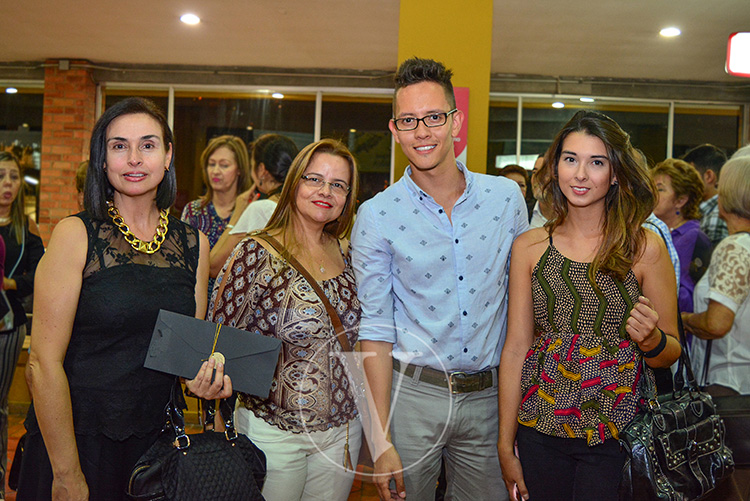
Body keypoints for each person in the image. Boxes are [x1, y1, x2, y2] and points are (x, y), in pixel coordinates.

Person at [17, 97, 231, 501]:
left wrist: (207, 380)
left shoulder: (194, 244)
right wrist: (66, 474)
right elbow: (41, 365)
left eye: (148, 145)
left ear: (168, 156)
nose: (134, 158)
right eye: (119, 146)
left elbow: (186, 362)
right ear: (102, 160)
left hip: (157, 448)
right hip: (77, 443)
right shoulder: (75, 235)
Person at [352, 57, 528, 501]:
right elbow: (373, 329)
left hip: (491, 399)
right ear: (395, 130)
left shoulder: (505, 199)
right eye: (409, 121)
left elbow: (525, 308)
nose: (422, 131)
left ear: (456, 122)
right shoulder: (376, 215)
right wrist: (381, 438)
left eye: (434, 117)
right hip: (412, 397)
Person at [498, 110, 681, 501]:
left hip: (616, 433)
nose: (580, 174)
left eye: (596, 162)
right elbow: (516, 347)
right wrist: (504, 441)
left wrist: (650, 340)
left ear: (615, 173)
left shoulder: (644, 247)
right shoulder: (529, 247)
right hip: (539, 429)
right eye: (570, 159)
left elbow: (672, 351)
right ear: (555, 166)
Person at [210, 138, 361, 501]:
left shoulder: (349, 251)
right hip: (273, 431)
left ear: (348, 197)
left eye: (338, 185)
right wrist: (217, 417)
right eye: (315, 179)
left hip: (342, 432)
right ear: (294, 182)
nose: (326, 191)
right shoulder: (256, 252)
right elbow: (218, 339)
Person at [682, 155, 750, 501]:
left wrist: (682, 320)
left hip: (731, 387)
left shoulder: (735, 248)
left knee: (730, 487)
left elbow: (716, 323)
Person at [0, 151, 44, 500]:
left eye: (14, 177)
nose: (8, 184)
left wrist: (10, 284)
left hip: (8, 323)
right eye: (1, 176)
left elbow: (37, 276)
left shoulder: (26, 227)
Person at [209, 134, 298, 278]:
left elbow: (213, 266)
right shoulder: (301, 208)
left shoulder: (260, 209)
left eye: (252, 166)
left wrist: (237, 215)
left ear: (262, 170)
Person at [181, 135, 251, 292]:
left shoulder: (249, 212)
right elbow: (184, 267)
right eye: (211, 164)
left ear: (239, 170)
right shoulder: (194, 211)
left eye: (224, 165)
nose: (216, 171)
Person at [651, 158, 712, 313]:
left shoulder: (694, 237)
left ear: (680, 200)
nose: (651, 194)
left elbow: (687, 297)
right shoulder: (651, 230)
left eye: (660, 189)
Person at [682, 144, 728, 247]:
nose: (683, 182)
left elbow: (711, 262)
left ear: (709, 176)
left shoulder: (716, 216)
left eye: (690, 175)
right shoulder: (699, 211)